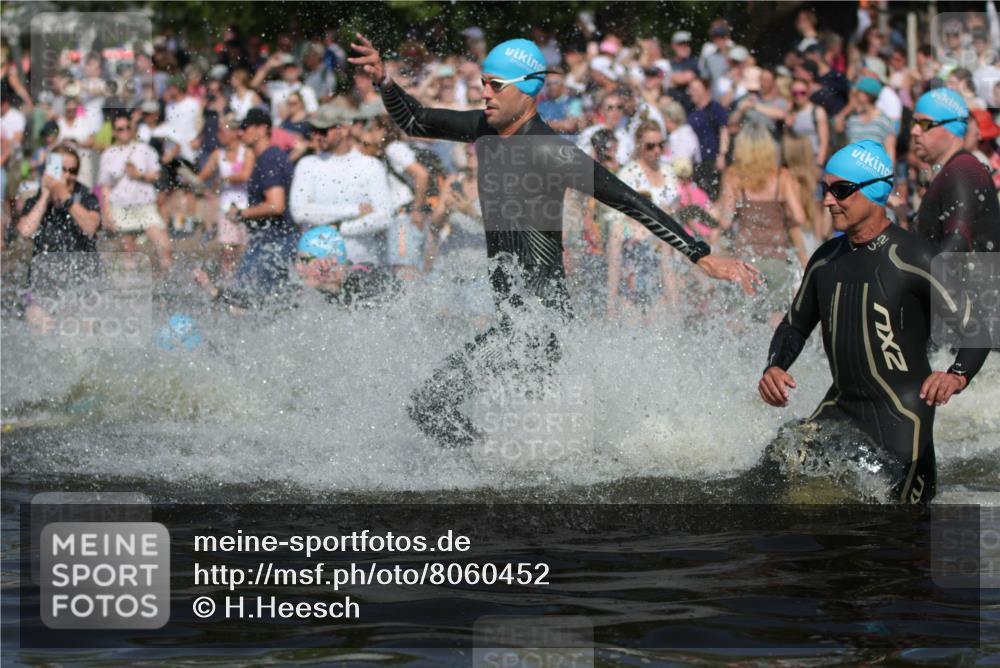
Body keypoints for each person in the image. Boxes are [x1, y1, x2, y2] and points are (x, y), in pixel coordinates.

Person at [350, 32, 758, 448]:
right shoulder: (484, 129)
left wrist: (701, 255)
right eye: (483, 83)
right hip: (515, 320)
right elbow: (415, 120)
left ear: (527, 90)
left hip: (540, 322)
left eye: (495, 85)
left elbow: (630, 200)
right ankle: (507, 475)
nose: (484, 92)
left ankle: (486, 475)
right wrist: (384, 80)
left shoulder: (549, 151)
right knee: (531, 437)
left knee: (433, 406)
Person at [757, 141, 990, 504]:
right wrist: (775, 366)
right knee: (768, 479)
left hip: (902, 421)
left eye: (842, 190)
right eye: (826, 189)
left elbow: (977, 326)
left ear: (876, 190)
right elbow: (794, 326)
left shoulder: (916, 256)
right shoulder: (825, 259)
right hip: (841, 409)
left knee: (900, 540)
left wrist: (957, 374)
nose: (828, 200)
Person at [289, 104, 394, 273]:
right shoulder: (307, 164)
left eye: (322, 131)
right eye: (313, 130)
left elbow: (384, 217)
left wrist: (340, 229)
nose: (315, 136)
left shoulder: (370, 166)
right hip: (316, 267)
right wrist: (353, 210)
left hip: (360, 264)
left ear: (343, 130)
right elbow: (300, 213)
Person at [717, 122, 808, 317]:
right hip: (777, 258)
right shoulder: (782, 176)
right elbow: (799, 216)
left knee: (742, 317)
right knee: (777, 317)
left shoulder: (734, 175)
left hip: (745, 258)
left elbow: (725, 221)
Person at [16, 145, 102, 332]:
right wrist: (46, 195)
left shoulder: (86, 197)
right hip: (43, 286)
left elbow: (90, 226)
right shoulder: (36, 200)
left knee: (82, 328)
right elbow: (25, 231)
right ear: (50, 170)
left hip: (81, 285)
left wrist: (65, 196)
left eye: (72, 171)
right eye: (62, 170)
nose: (68, 176)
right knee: (39, 322)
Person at [220, 108, 298, 309]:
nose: (240, 133)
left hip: (274, 242)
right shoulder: (267, 157)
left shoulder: (269, 158)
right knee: (270, 303)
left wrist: (240, 213)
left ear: (263, 129)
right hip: (272, 241)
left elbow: (276, 204)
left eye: (245, 128)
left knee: (241, 302)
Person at [911, 88, 1000, 254]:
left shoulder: (963, 170)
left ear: (952, 128)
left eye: (924, 124)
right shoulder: (954, 169)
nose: (914, 131)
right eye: (914, 123)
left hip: (971, 279)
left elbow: (957, 246)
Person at [606, 121, 681, 317]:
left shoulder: (668, 171)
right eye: (650, 146)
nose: (657, 150)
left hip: (666, 240)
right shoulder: (628, 174)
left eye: (660, 145)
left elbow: (675, 209)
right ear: (640, 146)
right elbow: (617, 217)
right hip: (636, 241)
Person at [97, 116, 172, 274]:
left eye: (127, 128)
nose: (124, 132)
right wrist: (107, 212)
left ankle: (162, 281)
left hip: (145, 205)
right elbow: (105, 187)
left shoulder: (144, 150)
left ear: (132, 129)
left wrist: (139, 175)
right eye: (120, 129)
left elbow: (158, 175)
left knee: (164, 246)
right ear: (114, 132)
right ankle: (130, 288)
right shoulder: (108, 154)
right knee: (128, 251)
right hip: (121, 206)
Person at [195, 114, 254, 277]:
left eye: (222, 131)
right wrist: (192, 180)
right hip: (226, 208)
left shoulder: (247, 152)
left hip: (245, 208)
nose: (219, 135)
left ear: (235, 132)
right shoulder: (217, 155)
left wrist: (223, 178)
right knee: (227, 251)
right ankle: (227, 282)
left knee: (243, 249)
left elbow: (245, 175)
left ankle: (241, 280)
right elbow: (202, 176)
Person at [294, 226, 395, 307]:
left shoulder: (365, 281)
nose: (298, 267)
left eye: (304, 260)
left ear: (327, 263)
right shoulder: (302, 297)